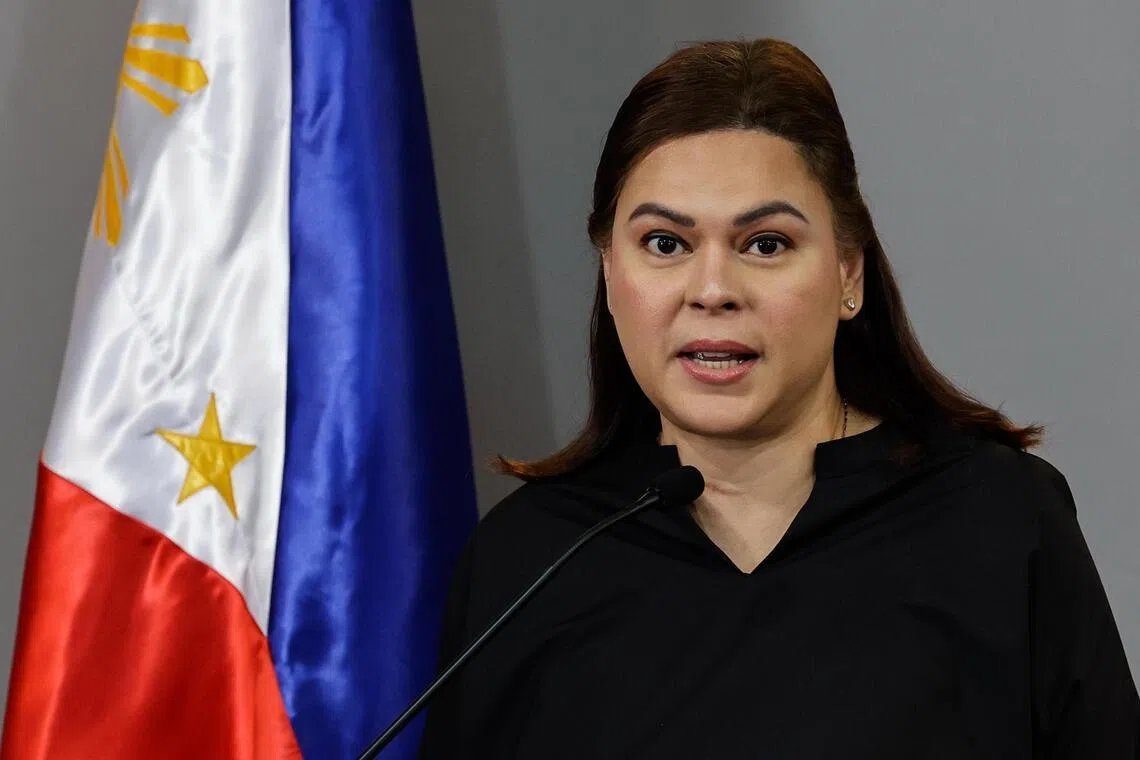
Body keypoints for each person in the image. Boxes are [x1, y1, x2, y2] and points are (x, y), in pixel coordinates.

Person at [417, 39, 1139, 758]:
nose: (712, 291)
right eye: (665, 243)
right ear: (610, 273)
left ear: (848, 271)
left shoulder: (1001, 519)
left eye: (764, 244)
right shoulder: (530, 560)